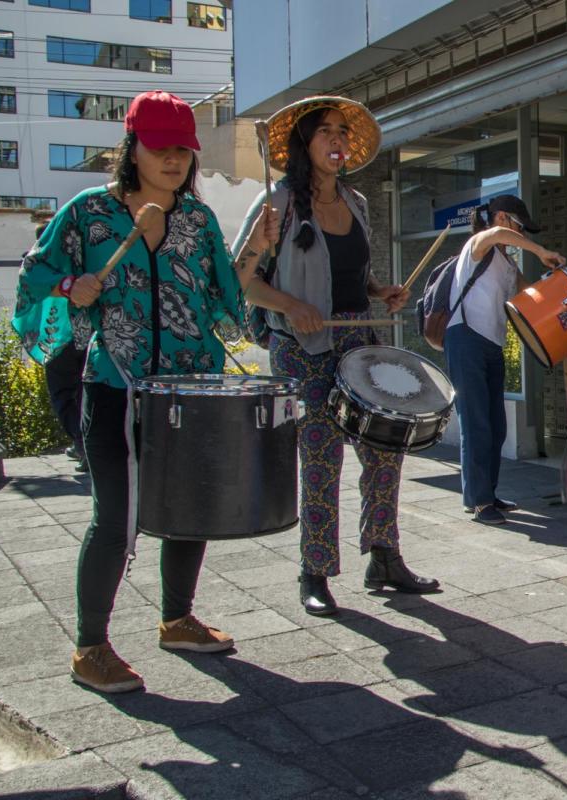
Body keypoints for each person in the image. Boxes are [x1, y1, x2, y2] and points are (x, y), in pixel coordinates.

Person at [11, 90, 279, 693]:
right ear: (131, 148)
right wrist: (70, 287)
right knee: (116, 519)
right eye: (160, 148)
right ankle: (90, 647)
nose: (173, 160)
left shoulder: (198, 221)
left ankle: (177, 619)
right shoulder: (88, 214)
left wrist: (259, 246)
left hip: (190, 389)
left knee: (191, 512)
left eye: (182, 149)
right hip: (115, 388)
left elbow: (226, 306)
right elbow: (35, 274)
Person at [235, 97, 436, 617]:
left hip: (357, 338)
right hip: (302, 348)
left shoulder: (358, 202)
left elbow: (351, 275)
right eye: (325, 131)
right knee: (321, 457)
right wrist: (291, 305)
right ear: (304, 144)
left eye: (343, 132)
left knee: (385, 448)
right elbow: (242, 283)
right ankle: (316, 572)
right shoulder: (276, 206)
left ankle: (384, 556)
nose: (338, 140)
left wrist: (380, 291)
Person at [446, 195, 564, 525]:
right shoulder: (478, 244)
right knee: (476, 422)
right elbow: (498, 235)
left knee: (496, 425)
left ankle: (486, 494)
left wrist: (565, 288)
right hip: (465, 338)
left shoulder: (507, 264)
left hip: (491, 344)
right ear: (501, 217)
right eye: (519, 225)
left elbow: (530, 298)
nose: (522, 234)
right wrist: (539, 251)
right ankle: (480, 503)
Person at [30, 221, 89, 472]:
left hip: (58, 339)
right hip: (87, 335)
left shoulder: (38, 268)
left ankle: (82, 445)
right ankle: (85, 444)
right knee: (86, 393)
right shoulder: (83, 263)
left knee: (64, 395)